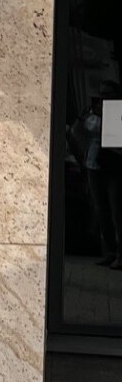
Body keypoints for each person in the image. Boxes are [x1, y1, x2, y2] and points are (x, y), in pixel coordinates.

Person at [69, 80, 122, 269]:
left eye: (107, 94)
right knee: (100, 210)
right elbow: (76, 132)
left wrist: (106, 117)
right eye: (101, 93)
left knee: (116, 210)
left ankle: (120, 254)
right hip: (93, 163)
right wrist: (82, 118)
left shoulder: (117, 112)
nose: (103, 97)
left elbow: (115, 137)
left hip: (114, 165)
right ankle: (109, 251)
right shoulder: (93, 111)